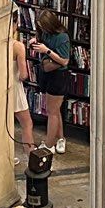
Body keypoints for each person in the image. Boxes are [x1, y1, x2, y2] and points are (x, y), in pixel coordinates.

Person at [26, 8, 75, 153]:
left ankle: (49, 144)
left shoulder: (62, 37)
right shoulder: (45, 33)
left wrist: (46, 51)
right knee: (54, 109)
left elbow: (64, 61)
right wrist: (36, 42)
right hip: (48, 74)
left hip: (58, 76)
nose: (41, 29)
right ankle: (60, 138)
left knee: (52, 112)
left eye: (43, 26)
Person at [9, 32, 36, 151]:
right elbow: (23, 74)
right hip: (14, 87)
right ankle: (31, 157)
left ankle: (5, 156)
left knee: (3, 126)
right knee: (27, 124)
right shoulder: (17, 46)